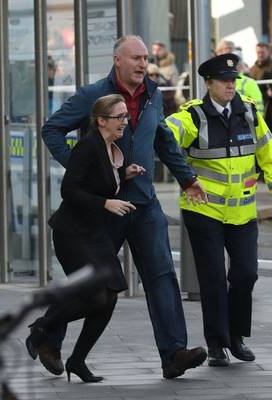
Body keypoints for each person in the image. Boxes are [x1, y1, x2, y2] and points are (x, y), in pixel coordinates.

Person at [37, 35, 208, 379]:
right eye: (136, 58)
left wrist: (187, 178)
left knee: (161, 275)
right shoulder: (93, 95)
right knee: (89, 283)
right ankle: (47, 339)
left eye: (146, 58)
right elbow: (52, 129)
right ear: (118, 60)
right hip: (104, 209)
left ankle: (174, 352)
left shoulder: (154, 94)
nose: (143, 64)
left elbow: (163, 139)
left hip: (143, 205)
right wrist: (85, 168)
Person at [27, 94, 145, 383]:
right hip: (71, 233)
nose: (124, 123)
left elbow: (99, 179)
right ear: (101, 120)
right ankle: (42, 327)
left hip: (93, 232)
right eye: (119, 118)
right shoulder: (87, 147)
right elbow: (70, 190)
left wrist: (124, 174)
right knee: (94, 296)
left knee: (110, 296)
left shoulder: (108, 148)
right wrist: (105, 203)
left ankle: (77, 360)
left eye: (125, 118)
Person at [165, 53, 272, 367]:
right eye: (224, 81)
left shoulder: (249, 113)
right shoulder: (192, 116)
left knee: (246, 274)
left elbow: (268, 151)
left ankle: (236, 335)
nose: (230, 85)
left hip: (241, 212)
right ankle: (217, 344)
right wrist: (185, 178)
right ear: (208, 83)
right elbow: (162, 139)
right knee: (212, 279)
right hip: (204, 211)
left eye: (233, 80)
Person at [215, 40, 264, 115]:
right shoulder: (216, 81)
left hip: (245, 122)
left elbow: (258, 108)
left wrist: (255, 122)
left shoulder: (249, 82)